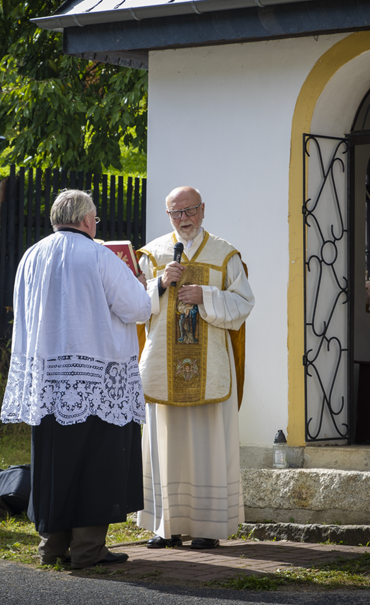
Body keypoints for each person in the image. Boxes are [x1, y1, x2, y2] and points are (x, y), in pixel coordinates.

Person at [1, 189, 151, 569]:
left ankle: (51, 548)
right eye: (95, 219)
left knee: (55, 465)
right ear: (87, 220)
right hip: (97, 379)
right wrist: (141, 282)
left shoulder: (31, 255)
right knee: (97, 464)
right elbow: (138, 308)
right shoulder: (100, 256)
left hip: (50, 379)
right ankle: (88, 549)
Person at [136, 186, 254, 549]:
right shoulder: (152, 255)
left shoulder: (225, 254)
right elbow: (132, 306)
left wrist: (207, 296)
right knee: (165, 444)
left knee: (207, 446)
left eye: (189, 210)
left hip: (211, 365)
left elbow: (244, 303)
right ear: (168, 215)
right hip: (163, 365)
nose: (183, 218)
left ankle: (207, 527)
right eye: (176, 212)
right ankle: (165, 527)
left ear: (203, 210)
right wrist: (160, 284)